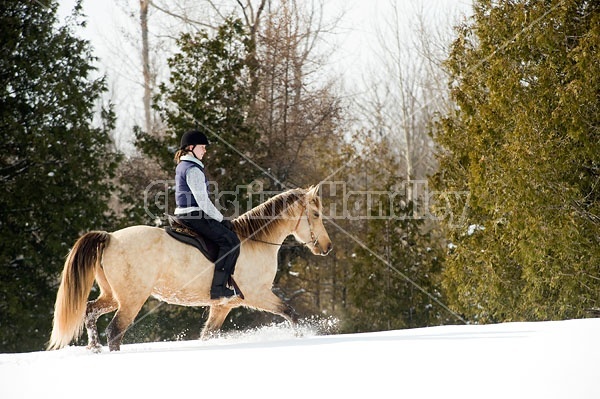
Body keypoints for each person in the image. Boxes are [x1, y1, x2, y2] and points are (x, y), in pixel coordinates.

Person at [174, 129, 240, 300]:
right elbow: (203, 202)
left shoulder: (184, 165)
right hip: (193, 215)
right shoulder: (193, 169)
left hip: (186, 213)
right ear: (190, 148)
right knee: (231, 241)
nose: (205, 150)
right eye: (202, 147)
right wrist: (222, 220)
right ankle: (218, 289)